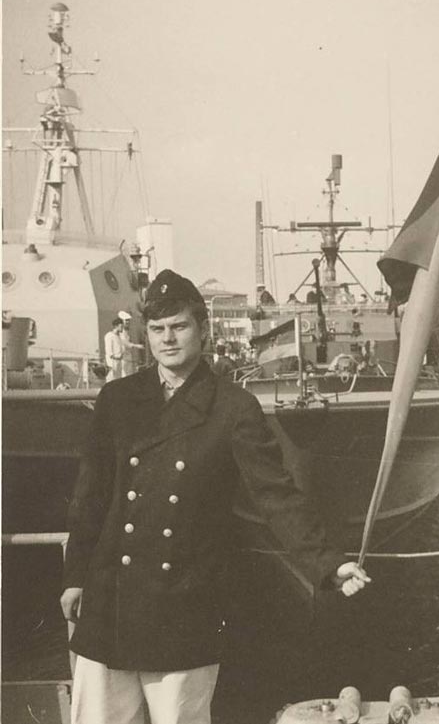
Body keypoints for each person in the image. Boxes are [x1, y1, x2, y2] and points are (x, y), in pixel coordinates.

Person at [61, 269, 369, 724]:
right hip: (112, 601)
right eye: (157, 329)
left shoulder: (233, 407)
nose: (168, 339)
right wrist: (75, 575)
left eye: (179, 326)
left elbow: (275, 495)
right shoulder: (117, 399)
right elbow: (90, 496)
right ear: (146, 335)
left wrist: (327, 563)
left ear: (202, 330)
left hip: (183, 606)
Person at [118, 311, 145, 377]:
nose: (128, 322)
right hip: (123, 359)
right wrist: (137, 346)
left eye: (128, 320)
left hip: (130, 358)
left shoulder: (128, 331)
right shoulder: (120, 332)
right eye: (126, 320)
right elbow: (125, 343)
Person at [103, 318, 124, 382]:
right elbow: (109, 351)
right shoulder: (109, 335)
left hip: (119, 362)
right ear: (116, 326)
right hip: (112, 362)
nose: (122, 328)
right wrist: (116, 357)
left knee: (118, 381)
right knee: (111, 380)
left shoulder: (119, 336)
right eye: (121, 326)